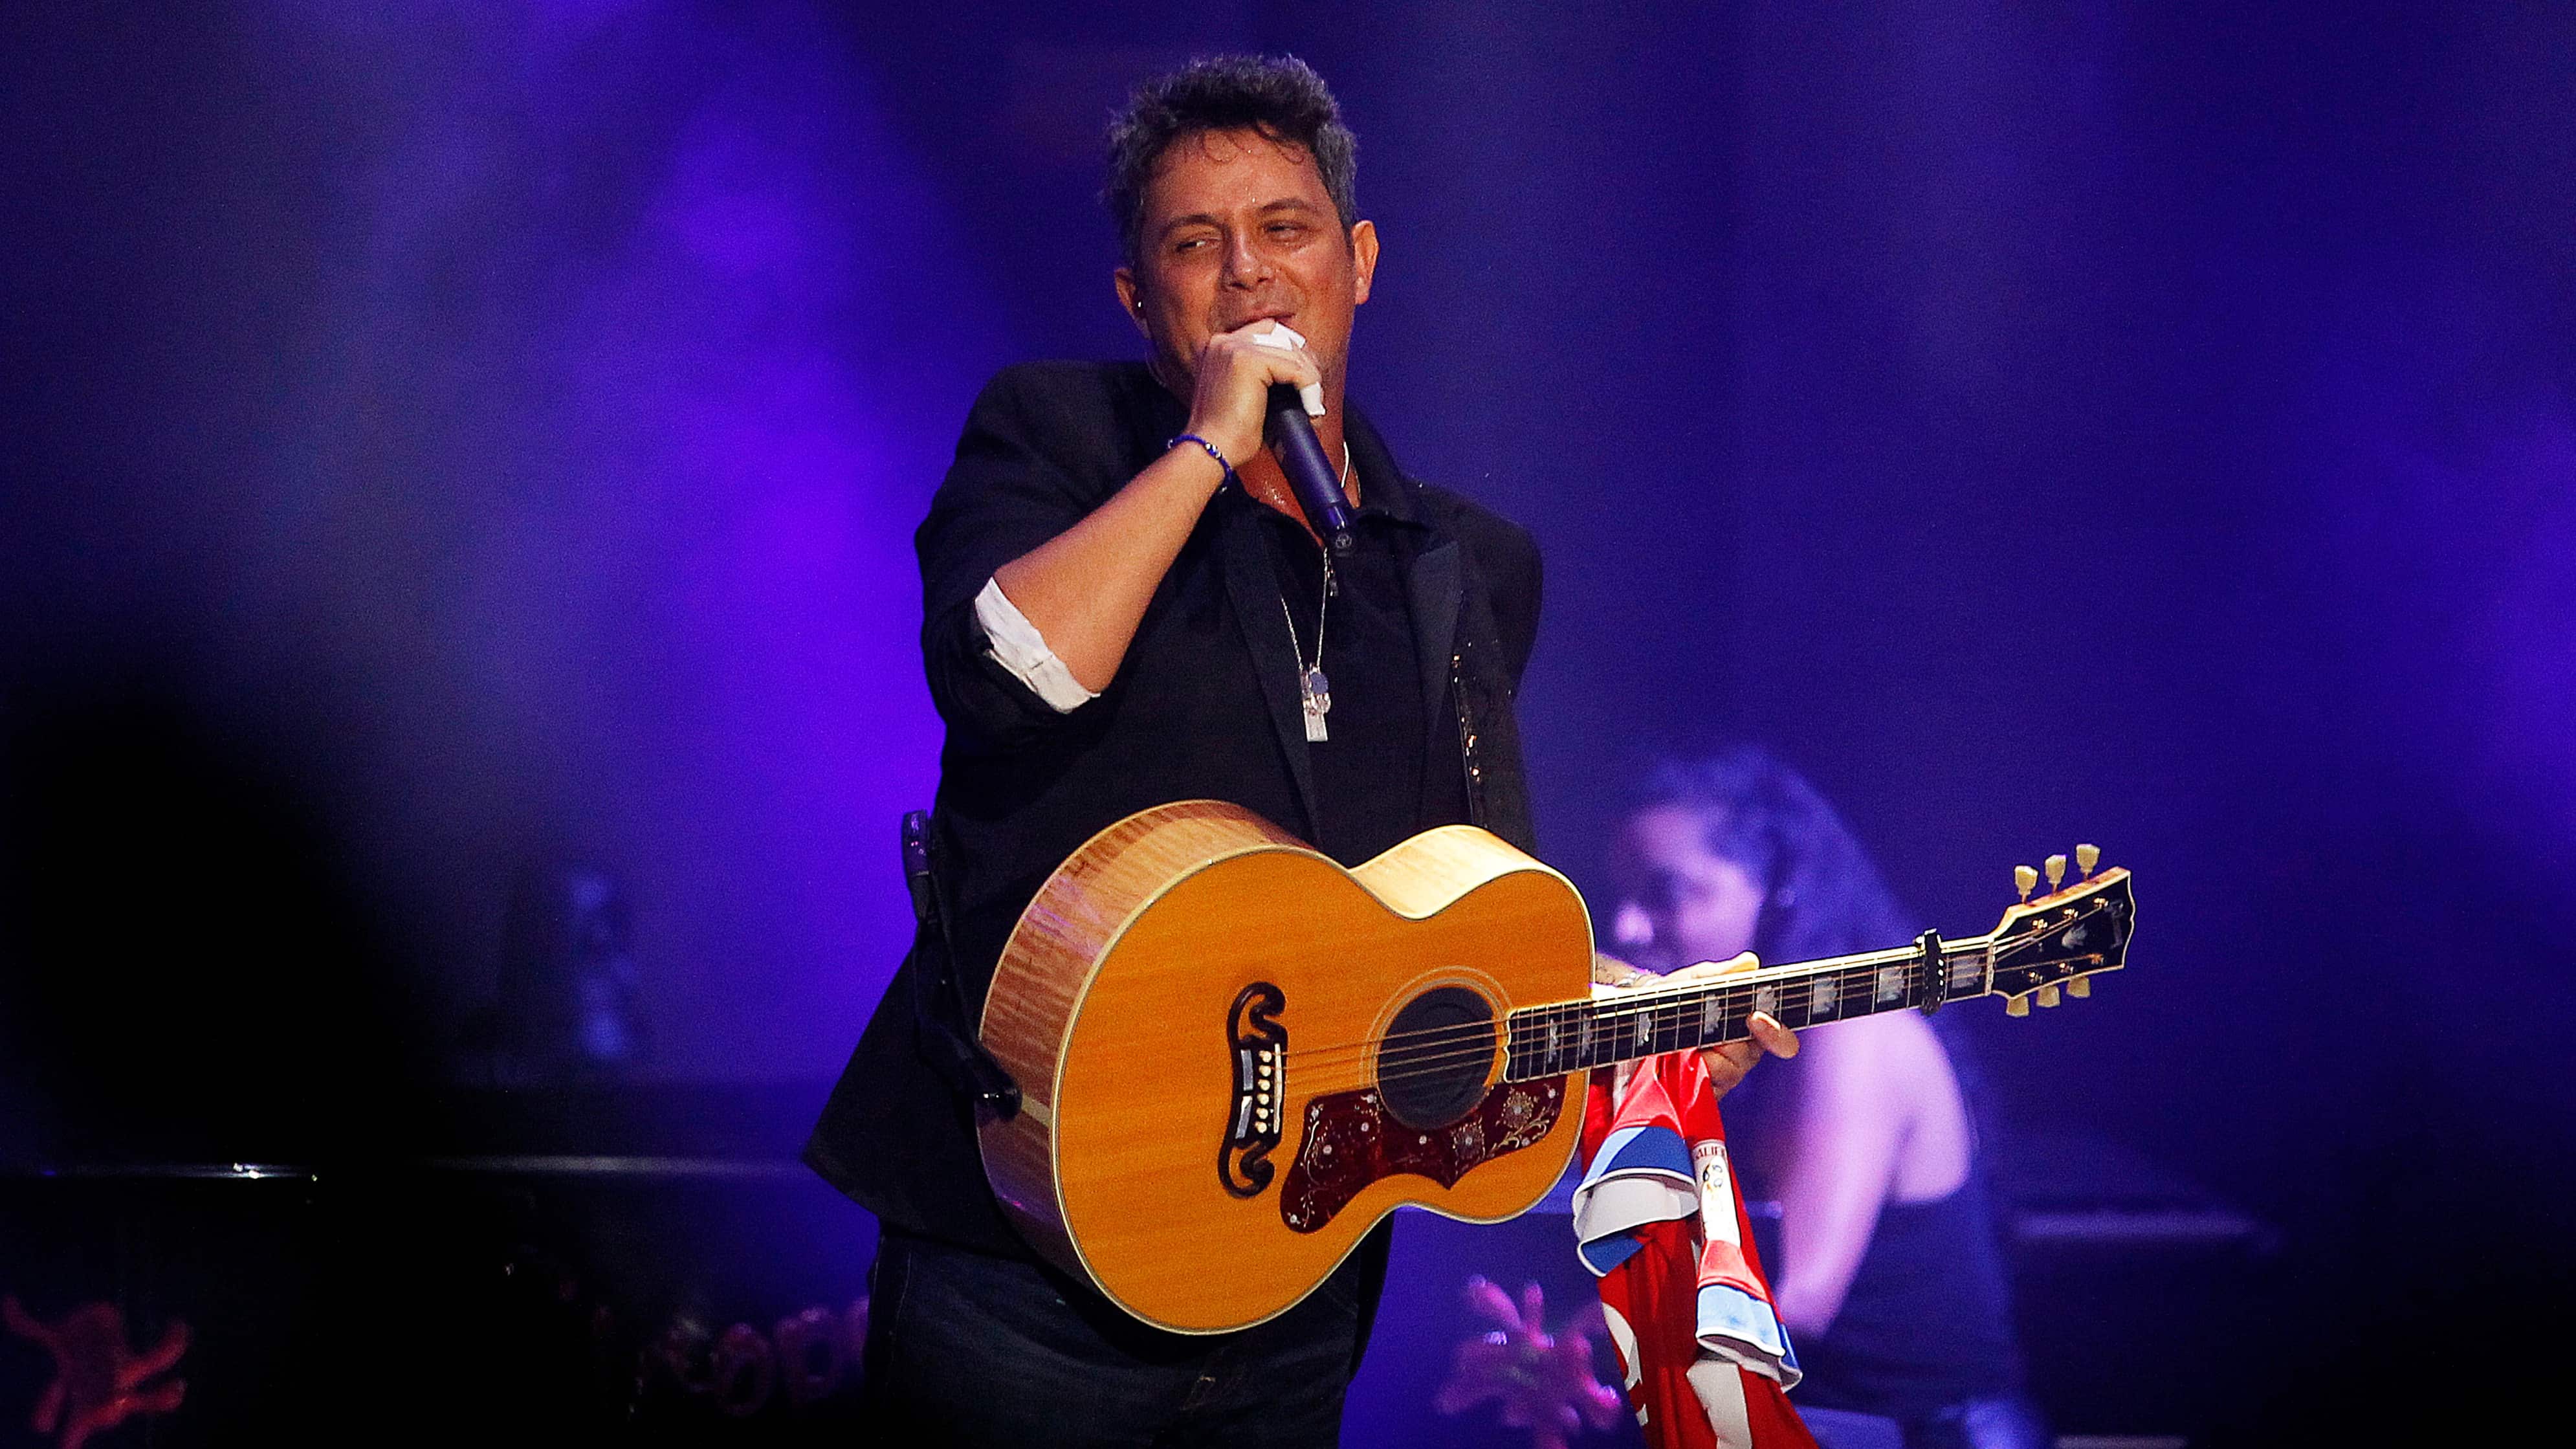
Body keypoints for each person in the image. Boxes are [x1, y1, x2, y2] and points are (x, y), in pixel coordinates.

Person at [803, 56, 1790, 1448]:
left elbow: (1425, 914)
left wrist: (1639, 1022)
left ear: (1359, 261)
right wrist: (1208, 448)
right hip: (1024, 1246)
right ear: (1137, 295)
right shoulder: (1055, 437)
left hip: (1288, 1260)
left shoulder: (1463, 567)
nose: (1248, 273)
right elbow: (1012, 677)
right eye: (1193, 243)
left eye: (1285, 228)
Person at [1607, 749, 2048, 1449]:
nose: (1626, 927)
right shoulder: (1724, 1044)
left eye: (1665, 891)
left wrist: (1586, 1357)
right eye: (1621, 894)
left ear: (1775, 887)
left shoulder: (1853, 1033)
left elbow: (1790, 1296)